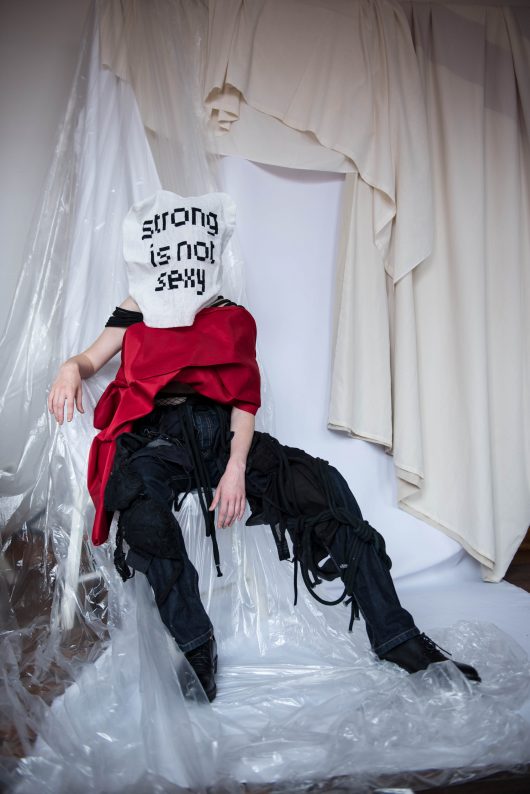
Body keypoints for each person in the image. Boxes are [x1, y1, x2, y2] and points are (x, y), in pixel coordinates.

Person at [48, 190, 480, 702]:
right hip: (159, 438)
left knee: (323, 488)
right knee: (141, 509)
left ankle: (396, 636)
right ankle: (196, 645)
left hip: (223, 434)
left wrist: (235, 467)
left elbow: (243, 402)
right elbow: (92, 358)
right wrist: (70, 368)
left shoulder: (231, 315)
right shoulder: (136, 306)